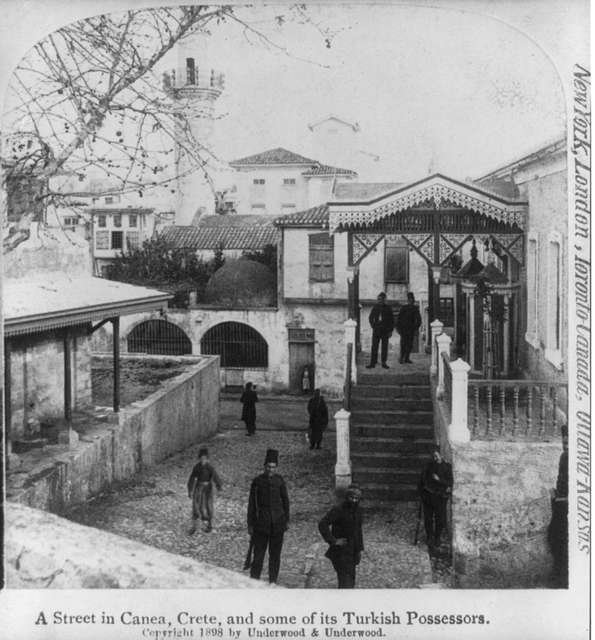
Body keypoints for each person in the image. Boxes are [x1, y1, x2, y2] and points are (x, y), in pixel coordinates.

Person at [247, 448, 290, 584]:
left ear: (276, 467)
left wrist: (286, 520)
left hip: (278, 524)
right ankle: (254, 581)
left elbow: (285, 501)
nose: (271, 469)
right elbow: (252, 504)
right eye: (268, 467)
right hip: (261, 525)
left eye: (273, 467)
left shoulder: (280, 481)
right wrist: (250, 524)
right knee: (258, 556)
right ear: (264, 466)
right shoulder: (257, 482)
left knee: (275, 556)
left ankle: (273, 581)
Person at [318, 484, 364, 588]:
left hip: (352, 552)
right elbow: (322, 524)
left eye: (357, 498)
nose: (354, 500)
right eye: (351, 497)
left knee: (351, 581)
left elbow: (358, 531)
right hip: (340, 552)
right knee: (345, 583)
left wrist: (359, 550)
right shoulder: (338, 510)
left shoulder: (358, 511)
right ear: (347, 497)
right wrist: (333, 541)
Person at [418, 446, 453, 549]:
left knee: (440, 519)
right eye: (433, 456)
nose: (435, 458)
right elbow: (422, 481)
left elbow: (450, 482)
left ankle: (437, 537)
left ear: (441, 455)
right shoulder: (428, 466)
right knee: (428, 519)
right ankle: (429, 537)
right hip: (428, 497)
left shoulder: (447, 467)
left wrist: (439, 480)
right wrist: (422, 494)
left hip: (440, 498)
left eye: (437, 455)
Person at [548, 424, 568, 588]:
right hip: (562, 503)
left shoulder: (568, 458)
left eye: (568, 442)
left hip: (565, 507)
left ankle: (560, 578)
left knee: (556, 538)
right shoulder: (564, 456)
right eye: (564, 441)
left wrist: (558, 498)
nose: (565, 444)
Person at [187, 447, 222, 534]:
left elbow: (215, 476)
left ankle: (209, 525)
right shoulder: (197, 467)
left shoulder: (210, 467)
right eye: (201, 458)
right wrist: (190, 490)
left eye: (205, 459)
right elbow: (192, 478)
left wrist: (219, 486)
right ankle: (194, 526)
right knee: (196, 505)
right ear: (199, 459)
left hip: (208, 489)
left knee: (208, 506)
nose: (203, 460)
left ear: (207, 459)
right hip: (199, 488)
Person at [366, 292, 395, 369]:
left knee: (384, 347)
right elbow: (370, 318)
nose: (379, 301)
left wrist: (390, 331)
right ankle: (373, 363)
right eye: (378, 299)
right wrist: (373, 326)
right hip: (376, 330)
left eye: (381, 299)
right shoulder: (375, 307)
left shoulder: (388, 308)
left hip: (385, 331)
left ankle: (384, 363)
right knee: (374, 346)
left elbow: (392, 320)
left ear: (384, 299)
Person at [396, 292, 422, 364]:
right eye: (409, 299)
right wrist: (398, 328)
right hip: (403, 329)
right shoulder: (404, 308)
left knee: (410, 345)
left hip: (411, 330)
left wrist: (416, 328)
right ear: (408, 300)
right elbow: (399, 319)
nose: (411, 300)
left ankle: (407, 358)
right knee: (403, 344)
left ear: (413, 300)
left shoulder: (415, 309)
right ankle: (401, 358)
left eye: (412, 299)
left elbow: (419, 320)